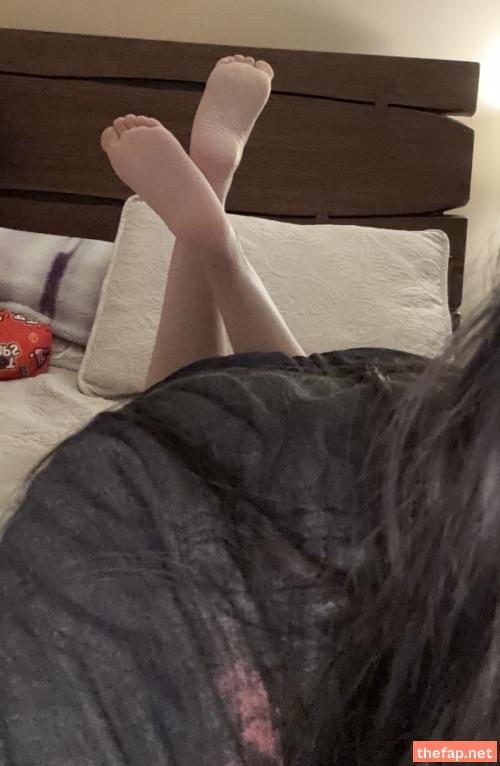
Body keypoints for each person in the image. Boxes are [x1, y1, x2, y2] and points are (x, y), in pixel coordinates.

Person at [0, 56, 498, 766]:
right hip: (409, 477)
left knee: (244, 440)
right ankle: (210, 232)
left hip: (390, 478)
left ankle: (208, 234)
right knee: (315, 441)